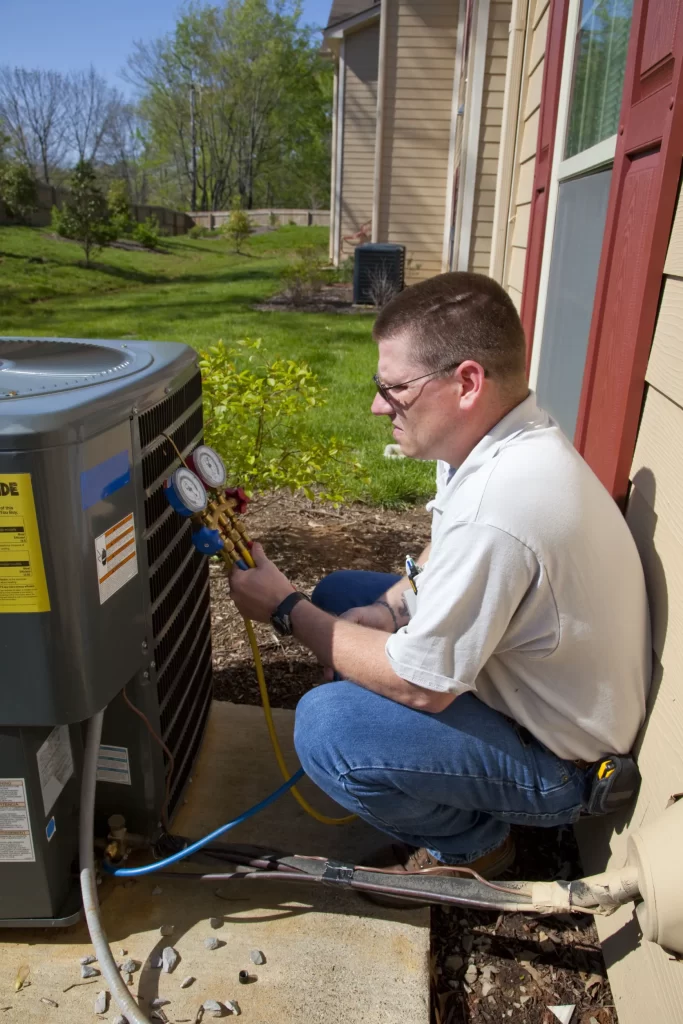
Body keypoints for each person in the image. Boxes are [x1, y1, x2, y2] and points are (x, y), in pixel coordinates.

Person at [228, 271, 651, 879]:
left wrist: (285, 610)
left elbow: (423, 687)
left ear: (467, 382)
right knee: (346, 595)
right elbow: (440, 547)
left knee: (328, 726)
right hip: (526, 691)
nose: (378, 405)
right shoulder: (497, 443)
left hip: (563, 765)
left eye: (395, 387)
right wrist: (389, 609)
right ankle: (440, 786)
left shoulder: (502, 506)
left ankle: (476, 847)